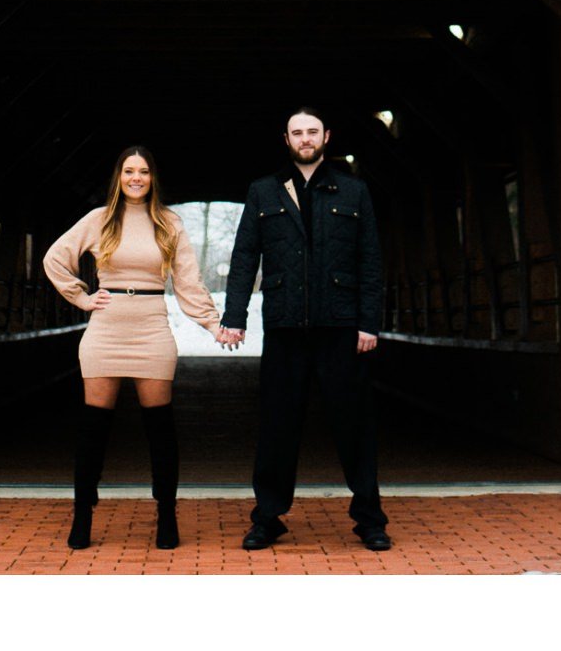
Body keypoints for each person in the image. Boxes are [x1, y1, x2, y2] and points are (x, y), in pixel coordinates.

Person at [217, 106, 390, 551]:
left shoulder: (354, 192)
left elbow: (371, 261)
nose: (306, 138)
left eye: (313, 131)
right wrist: (235, 317)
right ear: (287, 139)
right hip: (285, 327)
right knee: (277, 427)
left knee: (354, 426)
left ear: (327, 136)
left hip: (340, 325)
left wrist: (368, 322)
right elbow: (243, 259)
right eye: (298, 132)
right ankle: (268, 519)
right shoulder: (264, 192)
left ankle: (370, 519)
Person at [43, 145, 228, 550]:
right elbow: (55, 258)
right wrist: (82, 296)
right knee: (94, 429)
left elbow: (188, 281)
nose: (136, 178)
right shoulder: (99, 220)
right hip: (106, 328)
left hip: (151, 329)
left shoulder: (169, 222)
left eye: (143, 171)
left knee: (159, 428)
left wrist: (214, 324)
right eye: (129, 171)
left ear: (152, 177)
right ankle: (83, 516)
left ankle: (166, 515)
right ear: (119, 176)